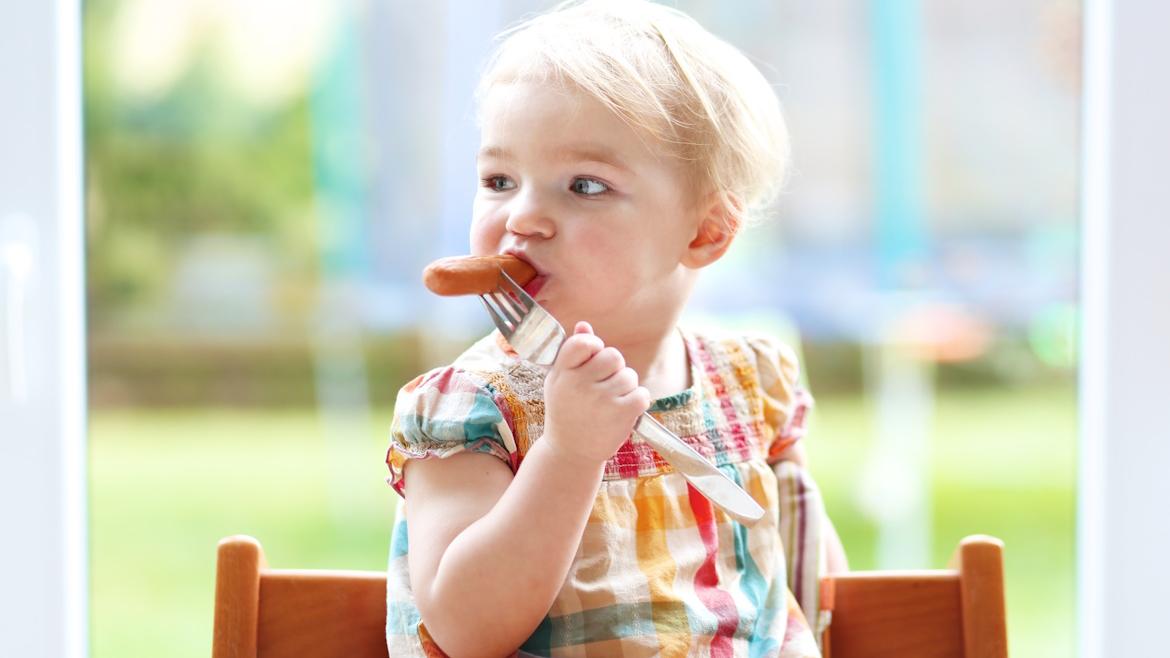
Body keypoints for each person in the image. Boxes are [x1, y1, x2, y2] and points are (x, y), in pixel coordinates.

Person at [385, 2, 847, 655]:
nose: (523, 217)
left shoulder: (752, 380)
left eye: (583, 185)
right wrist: (569, 453)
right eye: (498, 179)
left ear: (706, 230)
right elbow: (466, 628)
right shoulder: (470, 406)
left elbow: (813, 579)